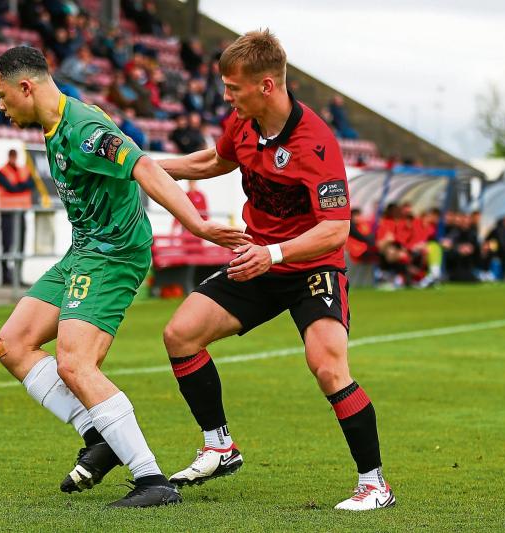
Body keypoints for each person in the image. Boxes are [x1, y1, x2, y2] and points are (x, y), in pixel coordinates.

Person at [0, 46, 248, 508]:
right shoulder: (60, 123)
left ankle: (151, 480)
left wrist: (199, 226)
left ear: (26, 87)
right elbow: (135, 162)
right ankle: (100, 436)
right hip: (83, 251)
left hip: (113, 255)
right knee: (13, 344)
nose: (1, 107)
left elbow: (143, 167)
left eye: (3, 96)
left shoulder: (84, 129)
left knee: (75, 362)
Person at [157, 29, 395, 511]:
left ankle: (375, 485)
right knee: (180, 334)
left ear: (266, 86)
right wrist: (147, 166)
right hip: (259, 260)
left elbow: (335, 230)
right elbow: (214, 160)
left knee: (328, 366)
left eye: (233, 87)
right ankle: (219, 446)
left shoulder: (317, 144)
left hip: (310, 265)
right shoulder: (242, 124)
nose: (226, 96)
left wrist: (277, 254)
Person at [0, 148, 34, 286]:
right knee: (6, 245)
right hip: (7, 213)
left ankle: (18, 277)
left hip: (21, 212)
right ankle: (5, 277)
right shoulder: (0, 172)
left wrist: (18, 187)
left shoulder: (24, 170)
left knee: (20, 246)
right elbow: (11, 188)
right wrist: (21, 187)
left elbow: (31, 184)